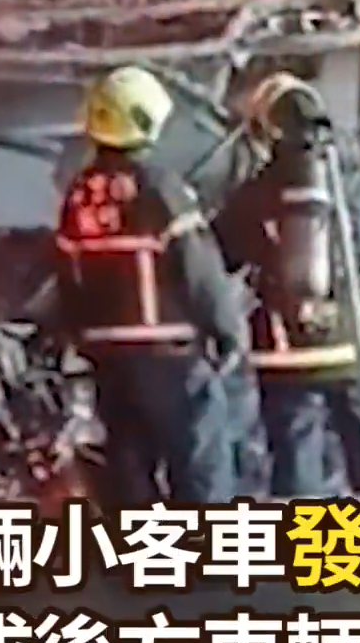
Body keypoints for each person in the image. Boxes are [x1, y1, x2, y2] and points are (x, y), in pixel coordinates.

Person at [53, 66, 248, 507]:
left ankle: (143, 549)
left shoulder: (78, 195)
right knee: (200, 468)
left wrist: (81, 343)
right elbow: (199, 269)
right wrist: (227, 331)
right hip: (170, 359)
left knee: (130, 470)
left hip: (110, 362)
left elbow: (67, 279)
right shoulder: (161, 188)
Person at [213, 73, 360, 498]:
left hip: (286, 350)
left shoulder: (255, 192)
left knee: (295, 461)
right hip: (358, 343)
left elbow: (223, 253)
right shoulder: (359, 183)